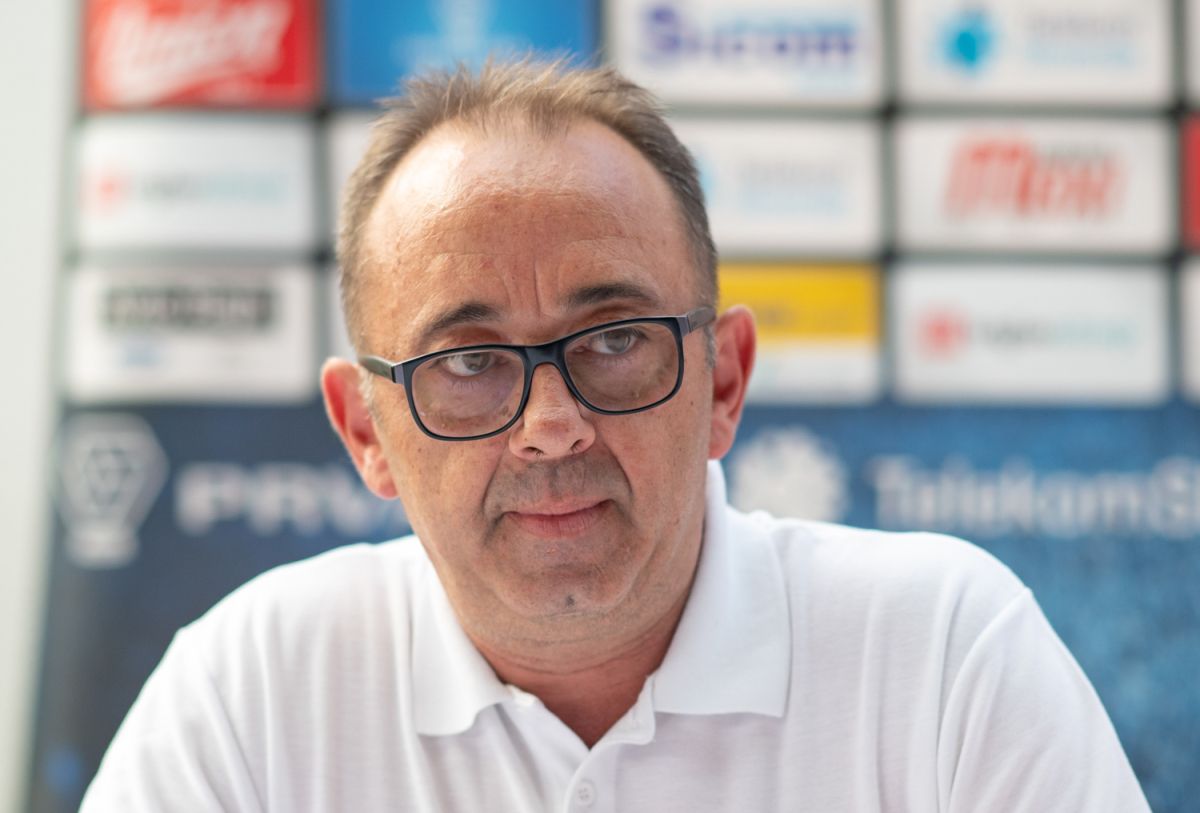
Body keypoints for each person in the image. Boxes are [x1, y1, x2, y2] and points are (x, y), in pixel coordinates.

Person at [82, 60, 1151, 812]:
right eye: (469, 362)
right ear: (367, 430)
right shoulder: (251, 690)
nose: (550, 428)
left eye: (614, 340)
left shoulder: (945, 654)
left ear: (723, 380)